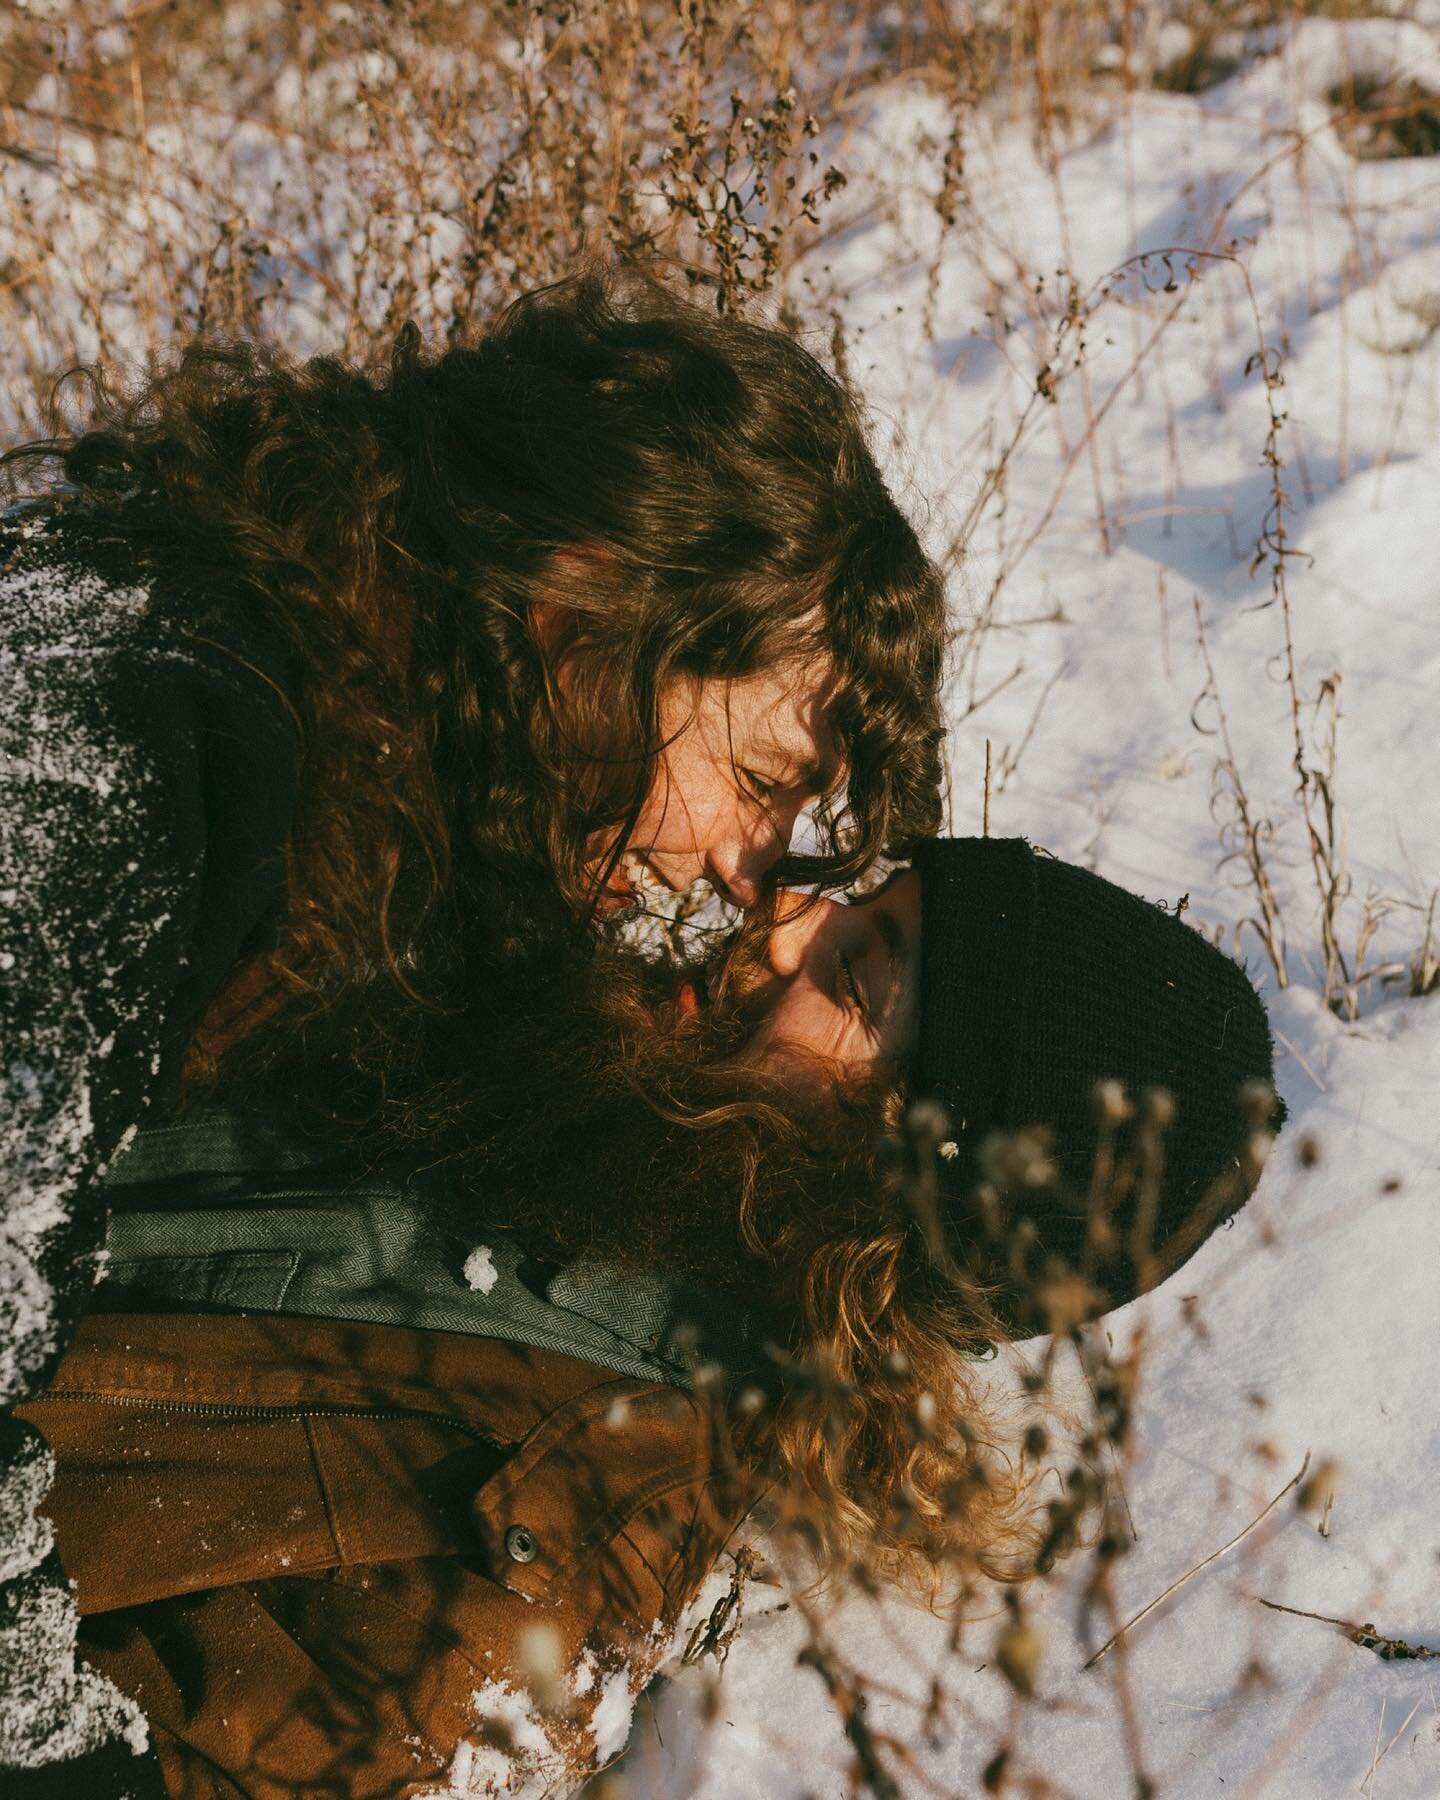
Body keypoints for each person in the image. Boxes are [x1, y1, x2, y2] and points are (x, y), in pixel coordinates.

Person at [0, 267, 949, 1774]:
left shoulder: (359, 790)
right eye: (764, 782)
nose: (747, 872)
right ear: (589, 600)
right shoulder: (136, 735)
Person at [11, 839, 1283, 1797]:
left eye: (857, 968)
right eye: (859, 889)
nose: (784, 928)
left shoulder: (545, 1542)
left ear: (891, 1168)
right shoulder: (580, 1095)